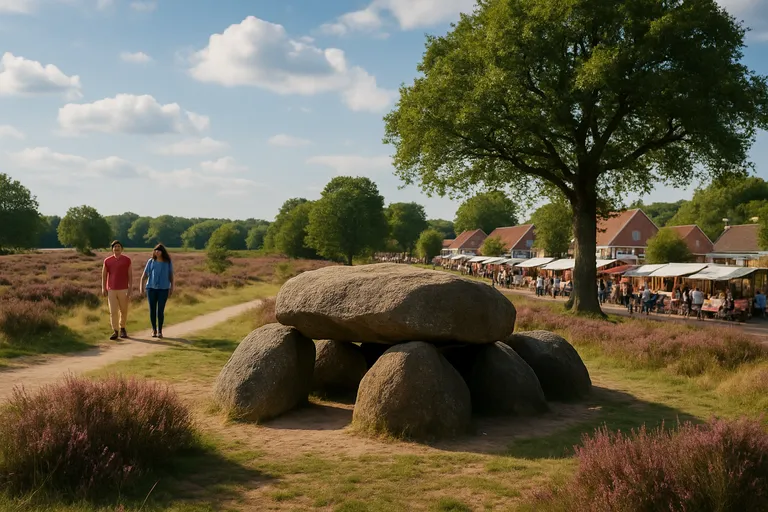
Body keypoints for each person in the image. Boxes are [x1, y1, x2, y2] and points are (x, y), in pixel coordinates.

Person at [140, 244, 175, 338]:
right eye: (155, 250)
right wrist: (141, 287)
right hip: (151, 288)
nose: (157, 252)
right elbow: (144, 276)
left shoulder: (167, 262)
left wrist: (172, 287)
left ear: (162, 252)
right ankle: (154, 330)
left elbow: (171, 275)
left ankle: (160, 330)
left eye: (159, 250)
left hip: (163, 289)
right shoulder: (151, 261)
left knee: (160, 310)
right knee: (152, 310)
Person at [102, 240, 133, 340]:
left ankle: (122, 328)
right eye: (115, 247)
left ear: (121, 248)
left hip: (123, 288)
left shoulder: (127, 260)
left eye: (118, 246)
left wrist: (130, 288)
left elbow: (130, 275)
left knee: (124, 310)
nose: (117, 248)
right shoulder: (107, 261)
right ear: (112, 249)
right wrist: (103, 287)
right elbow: (104, 275)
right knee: (113, 311)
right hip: (111, 289)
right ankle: (115, 330)